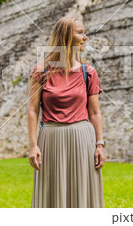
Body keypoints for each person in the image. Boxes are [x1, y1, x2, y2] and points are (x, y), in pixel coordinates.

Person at [27, 17, 105, 208]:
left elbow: (95, 113)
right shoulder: (41, 71)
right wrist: (33, 145)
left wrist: (100, 145)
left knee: (83, 196)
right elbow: (32, 111)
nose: (85, 37)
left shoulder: (89, 72)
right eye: (80, 33)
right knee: (52, 195)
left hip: (83, 139)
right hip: (51, 140)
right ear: (65, 37)